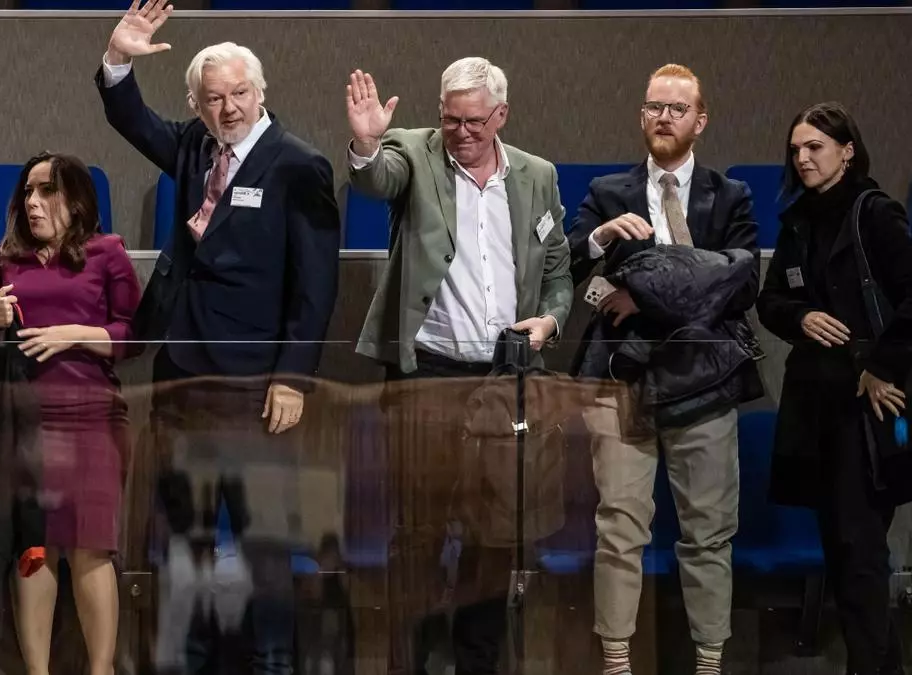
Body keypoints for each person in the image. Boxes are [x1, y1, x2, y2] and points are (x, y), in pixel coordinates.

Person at [96, 2, 340, 672]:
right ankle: (185, 659)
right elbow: (129, 117)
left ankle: (271, 661)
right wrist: (117, 59)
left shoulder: (299, 165)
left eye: (238, 94)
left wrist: (293, 376)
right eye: (213, 98)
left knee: (262, 542)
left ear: (261, 94)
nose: (227, 108)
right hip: (180, 375)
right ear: (198, 105)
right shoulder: (194, 147)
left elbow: (316, 287)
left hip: (253, 387)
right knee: (181, 540)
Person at [345, 58, 572, 674]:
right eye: (450, 119)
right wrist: (366, 143)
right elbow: (378, 178)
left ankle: (476, 662)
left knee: (495, 535)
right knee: (418, 532)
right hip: (427, 376)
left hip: (505, 380)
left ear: (501, 115)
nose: (462, 132)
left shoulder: (538, 176)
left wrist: (550, 320)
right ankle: (409, 662)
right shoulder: (415, 152)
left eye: (474, 121)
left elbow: (557, 271)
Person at [566, 64, 761, 675]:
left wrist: (645, 291)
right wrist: (599, 242)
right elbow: (568, 270)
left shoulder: (730, 196)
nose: (663, 118)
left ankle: (709, 662)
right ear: (641, 115)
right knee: (619, 530)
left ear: (699, 121)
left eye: (677, 109)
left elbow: (743, 281)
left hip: (704, 382)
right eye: (654, 106)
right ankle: (617, 662)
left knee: (708, 534)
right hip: (619, 382)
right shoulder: (606, 192)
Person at [0, 152, 141, 675]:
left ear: (76, 200)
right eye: (27, 192)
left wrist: (77, 335)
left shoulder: (107, 253)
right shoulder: (10, 258)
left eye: (46, 192)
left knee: (90, 545)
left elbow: (135, 335)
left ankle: (101, 669)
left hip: (91, 415)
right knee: (34, 546)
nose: (33, 203)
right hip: (24, 420)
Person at [757, 102, 912, 675]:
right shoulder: (798, 219)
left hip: (868, 408)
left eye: (814, 147)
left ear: (847, 151)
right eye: (795, 149)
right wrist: (800, 319)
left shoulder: (876, 213)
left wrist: (883, 368)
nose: (801, 158)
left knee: (861, 555)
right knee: (844, 555)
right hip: (816, 410)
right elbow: (769, 301)